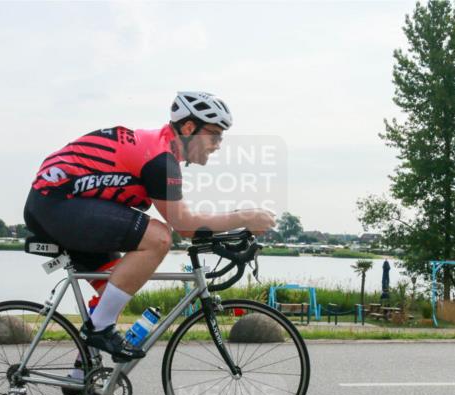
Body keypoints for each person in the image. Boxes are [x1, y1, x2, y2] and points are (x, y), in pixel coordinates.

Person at [23, 91, 275, 362]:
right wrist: (244, 217)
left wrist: (235, 228)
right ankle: (99, 330)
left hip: (67, 205)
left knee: (114, 293)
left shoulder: (162, 151)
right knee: (158, 237)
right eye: (214, 135)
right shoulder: (159, 159)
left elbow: (189, 222)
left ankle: (80, 376)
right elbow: (185, 225)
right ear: (189, 128)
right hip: (56, 203)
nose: (218, 144)